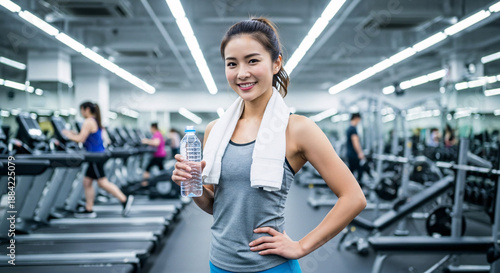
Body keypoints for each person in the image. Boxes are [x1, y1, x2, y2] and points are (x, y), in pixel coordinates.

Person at [172, 18, 366, 273]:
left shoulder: (297, 129)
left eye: (253, 60)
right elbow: (214, 206)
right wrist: (192, 184)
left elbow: (354, 198)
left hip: (270, 267)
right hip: (219, 263)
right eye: (232, 64)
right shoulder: (214, 130)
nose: (242, 73)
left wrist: (301, 246)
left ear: (276, 63)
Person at [63, 101, 134, 218]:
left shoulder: (88, 121)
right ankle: (89, 208)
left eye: (81, 110)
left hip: (95, 156)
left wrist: (67, 135)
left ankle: (124, 199)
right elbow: (88, 136)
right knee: (87, 182)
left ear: (86, 109)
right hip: (96, 155)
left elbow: (81, 139)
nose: (81, 113)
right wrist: (72, 133)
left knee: (102, 183)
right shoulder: (95, 120)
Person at [345, 113, 365, 185]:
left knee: (351, 172)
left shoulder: (349, 129)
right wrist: (360, 153)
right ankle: (358, 188)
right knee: (359, 171)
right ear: (356, 118)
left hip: (350, 154)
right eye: (359, 120)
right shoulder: (353, 129)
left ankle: (350, 188)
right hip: (354, 155)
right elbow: (355, 142)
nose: (359, 122)